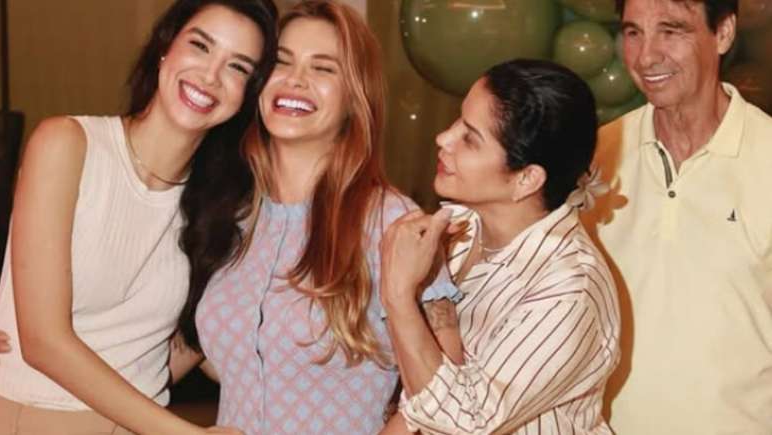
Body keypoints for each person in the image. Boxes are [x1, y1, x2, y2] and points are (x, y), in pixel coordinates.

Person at [167, 1, 463, 434]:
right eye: (281, 62)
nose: (295, 79)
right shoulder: (230, 215)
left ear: (355, 98)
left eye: (323, 68)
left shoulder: (391, 221)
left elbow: (443, 394)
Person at [0, 1, 277, 434]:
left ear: (247, 94)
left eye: (237, 67)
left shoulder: (224, 205)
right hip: (35, 415)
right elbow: (43, 342)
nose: (210, 75)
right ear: (166, 47)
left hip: (138, 420)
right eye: (200, 46)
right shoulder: (66, 144)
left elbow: (184, 343)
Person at [379, 59, 621, 434]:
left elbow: (466, 421)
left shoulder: (570, 288)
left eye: (470, 138)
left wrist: (398, 295)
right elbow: (416, 401)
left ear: (526, 179)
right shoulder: (458, 228)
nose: (443, 138)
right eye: (458, 121)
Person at [582, 0, 772, 433]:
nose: (646, 56)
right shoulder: (595, 157)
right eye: (633, 33)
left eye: (671, 31)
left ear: (723, 33)